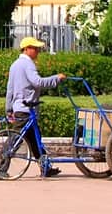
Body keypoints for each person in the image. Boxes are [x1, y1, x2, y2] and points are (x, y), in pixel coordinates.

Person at [4, 35, 68, 177]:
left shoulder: (14, 65)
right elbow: (37, 82)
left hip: (19, 107)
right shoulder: (28, 64)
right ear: (26, 49)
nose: (38, 51)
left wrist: (9, 109)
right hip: (25, 109)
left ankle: (45, 168)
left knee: (35, 140)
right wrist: (56, 79)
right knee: (15, 140)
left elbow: (10, 90)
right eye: (35, 48)